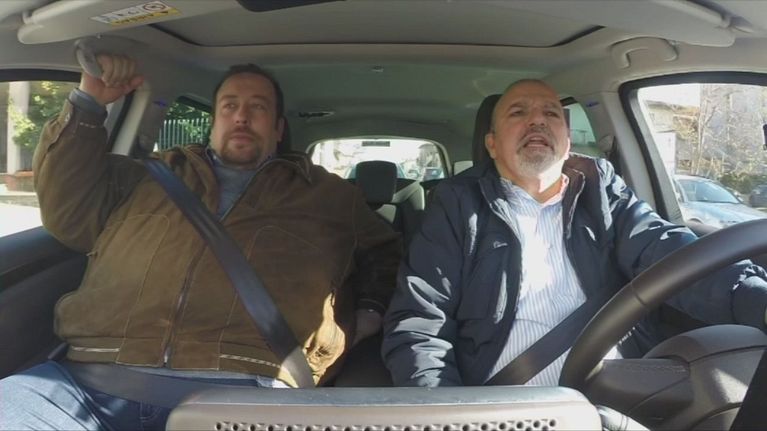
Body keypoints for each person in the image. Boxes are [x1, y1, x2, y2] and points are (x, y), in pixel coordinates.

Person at [0, 55, 401, 429]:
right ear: (214, 122)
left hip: (248, 387)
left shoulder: (330, 196)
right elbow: (67, 212)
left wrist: (369, 313)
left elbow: (388, 254)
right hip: (87, 381)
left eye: (258, 107)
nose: (241, 116)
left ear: (279, 129)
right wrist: (89, 104)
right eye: (229, 106)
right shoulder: (147, 175)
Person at [381, 78, 767, 387]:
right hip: (510, 401)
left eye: (551, 113)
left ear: (567, 143)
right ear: (492, 145)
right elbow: (420, 324)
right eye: (518, 112)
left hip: (619, 393)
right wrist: (448, 413)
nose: (537, 121)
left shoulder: (603, 192)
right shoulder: (457, 205)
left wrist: (754, 299)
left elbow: (668, 252)